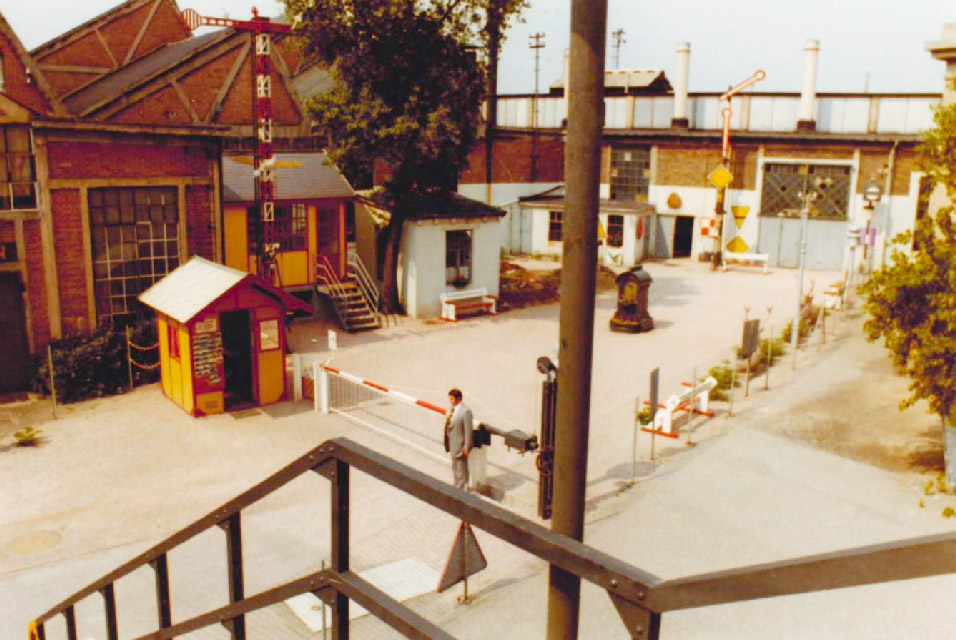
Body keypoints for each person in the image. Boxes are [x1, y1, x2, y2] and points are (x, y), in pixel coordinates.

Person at [444, 388, 473, 490]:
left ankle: (462, 492)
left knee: (462, 473)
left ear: (459, 399)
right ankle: (456, 489)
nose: (450, 401)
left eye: (452, 399)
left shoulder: (465, 412)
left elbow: (468, 431)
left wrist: (467, 448)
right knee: (455, 469)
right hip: (453, 446)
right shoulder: (453, 409)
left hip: (461, 448)